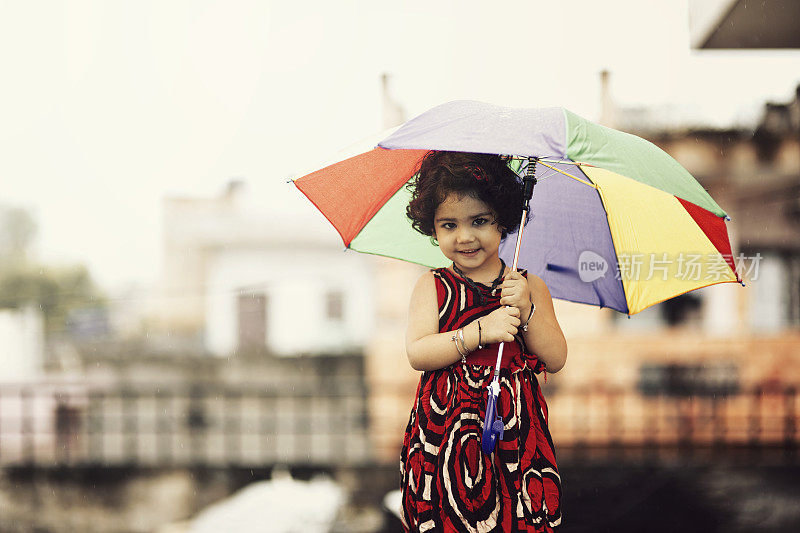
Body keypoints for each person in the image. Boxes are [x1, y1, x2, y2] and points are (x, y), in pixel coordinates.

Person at [399, 151, 568, 532]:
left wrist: (526, 310)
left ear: (504, 221)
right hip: (446, 427)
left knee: (518, 513)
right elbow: (418, 352)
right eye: (448, 225)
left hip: (515, 429)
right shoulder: (433, 286)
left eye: (479, 221)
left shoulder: (527, 285)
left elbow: (555, 357)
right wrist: (480, 332)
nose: (465, 236)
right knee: (449, 516)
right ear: (433, 228)